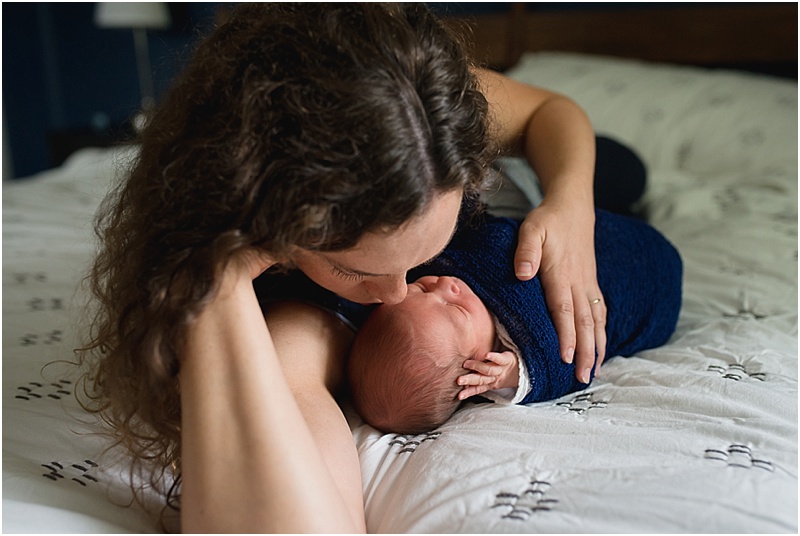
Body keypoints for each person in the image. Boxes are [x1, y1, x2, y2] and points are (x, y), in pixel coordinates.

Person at [76, 4, 644, 532]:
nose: (398, 295)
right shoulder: (294, 313)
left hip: (529, 192)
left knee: (623, 171)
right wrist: (214, 275)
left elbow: (552, 109)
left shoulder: (415, 109)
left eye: (415, 257)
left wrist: (570, 203)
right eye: (353, 271)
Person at [347, 210, 683, 435]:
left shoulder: (445, 274)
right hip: (647, 291)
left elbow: (483, 234)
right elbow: (569, 366)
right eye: (456, 310)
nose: (446, 284)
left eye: (420, 287)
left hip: (605, 237)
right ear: (474, 375)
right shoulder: (513, 360)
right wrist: (515, 373)